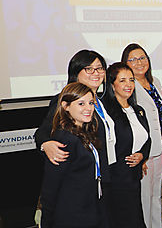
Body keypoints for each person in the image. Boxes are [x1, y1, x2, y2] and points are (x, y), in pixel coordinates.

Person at [35, 50, 116, 218]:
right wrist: (45, 144)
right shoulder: (64, 100)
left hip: (103, 177)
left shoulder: (101, 100)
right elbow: (44, 131)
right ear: (76, 72)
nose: (96, 73)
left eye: (100, 68)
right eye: (89, 69)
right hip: (81, 185)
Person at [41, 83, 105, 228]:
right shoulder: (64, 139)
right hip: (71, 214)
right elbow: (51, 185)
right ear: (66, 106)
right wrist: (47, 221)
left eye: (91, 103)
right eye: (81, 103)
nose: (88, 108)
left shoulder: (86, 133)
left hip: (88, 207)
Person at [121, 44, 162, 228]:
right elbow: (130, 123)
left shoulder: (154, 81)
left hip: (160, 147)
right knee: (143, 198)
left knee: (156, 195)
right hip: (143, 153)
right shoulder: (127, 87)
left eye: (142, 58)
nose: (139, 62)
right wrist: (141, 154)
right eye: (133, 59)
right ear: (125, 63)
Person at [101, 63, 151, 228]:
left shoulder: (138, 110)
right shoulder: (105, 112)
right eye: (122, 80)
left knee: (135, 217)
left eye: (131, 80)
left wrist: (142, 155)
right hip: (115, 178)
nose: (128, 84)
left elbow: (147, 139)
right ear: (112, 84)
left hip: (133, 176)